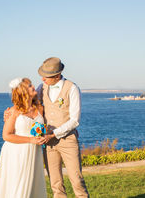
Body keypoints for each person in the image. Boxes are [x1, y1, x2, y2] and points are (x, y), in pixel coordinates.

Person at [0, 77, 47, 198]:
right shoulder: (14, 111)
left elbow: (39, 130)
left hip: (34, 152)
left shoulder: (40, 109)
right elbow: (6, 135)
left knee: (33, 183)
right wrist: (30, 140)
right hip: (16, 152)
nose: (33, 87)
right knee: (16, 184)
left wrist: (42, 138)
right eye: (29, 86)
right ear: (22, 91)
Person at [37, 57, 89, 198]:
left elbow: (74, 120)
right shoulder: (42, 88)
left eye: (46, 77)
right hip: (49, 144)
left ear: (58, 76)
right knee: (55, 183)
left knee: (77, 179)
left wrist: (53, 134)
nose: (43, 79)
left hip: (68, 140)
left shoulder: (72, 88)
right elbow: (30, 105)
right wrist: (11, 112)